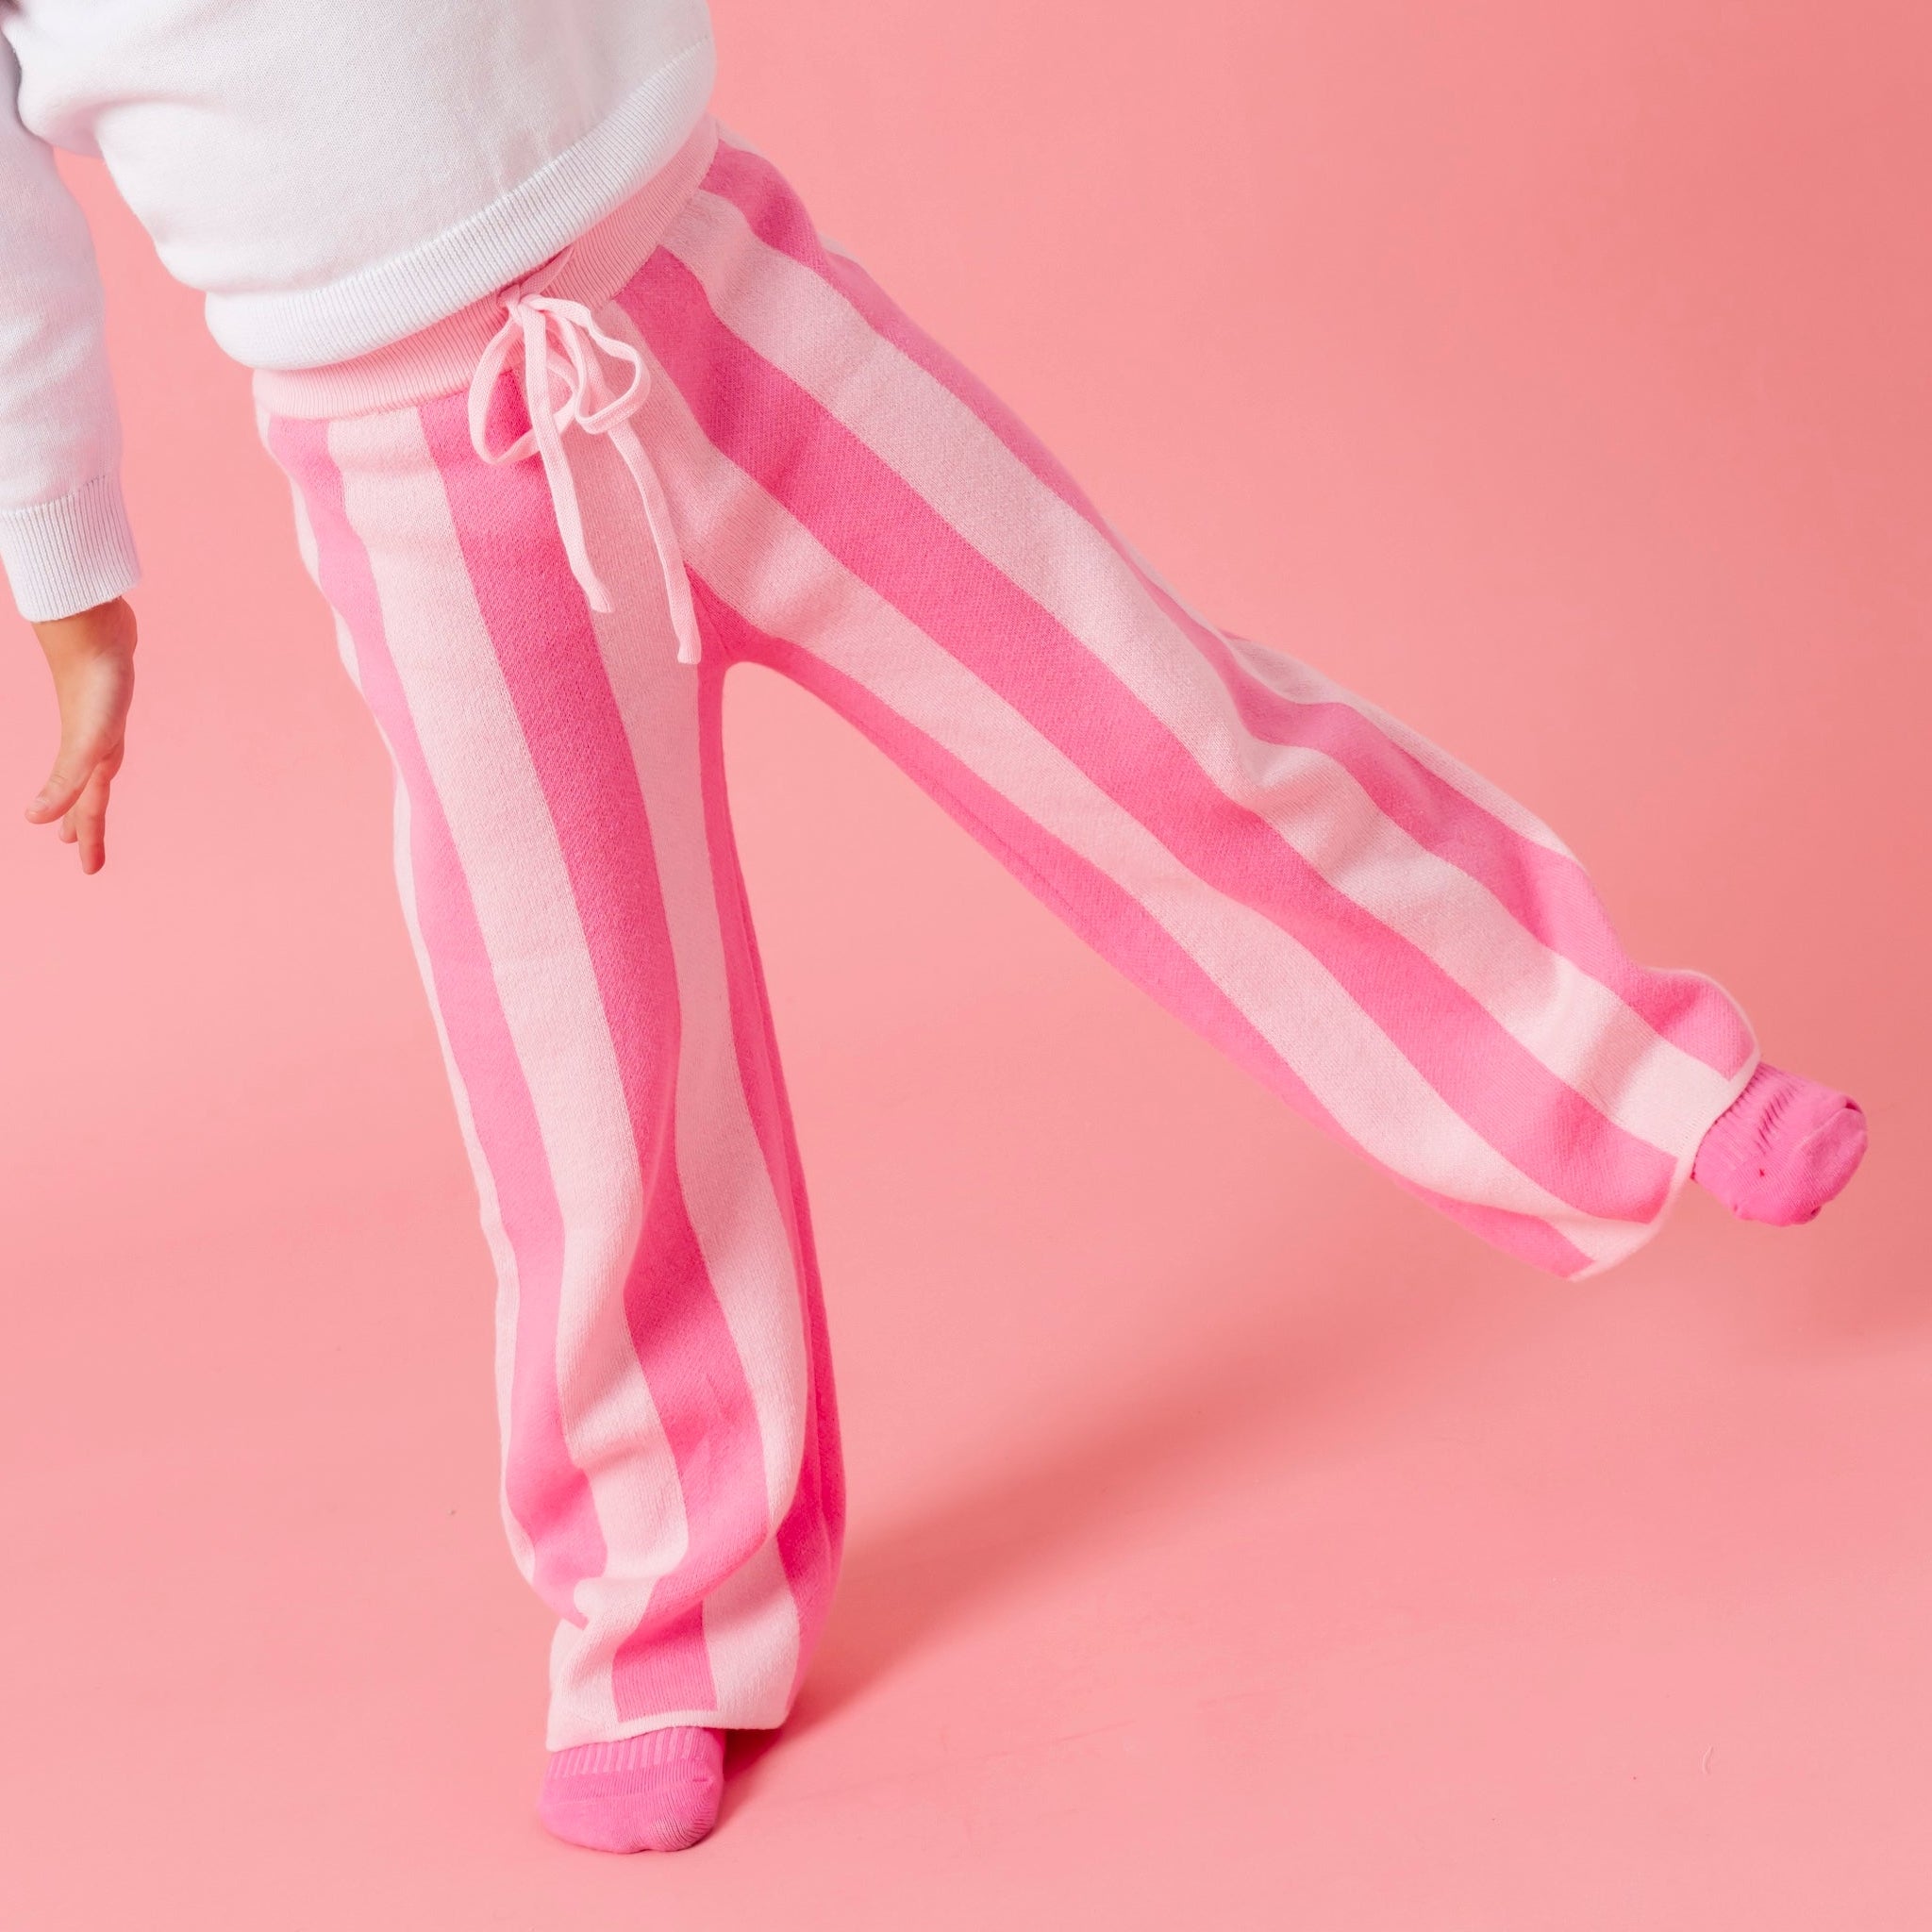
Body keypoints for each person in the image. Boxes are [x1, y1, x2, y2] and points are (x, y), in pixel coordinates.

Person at [1, 0, 1867, 1856]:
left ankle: (1625, 1069)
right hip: (414, 476)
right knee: (583, 1071)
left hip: (715, 291)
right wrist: (69, 572)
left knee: (1155, 724)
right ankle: (662, 1615)